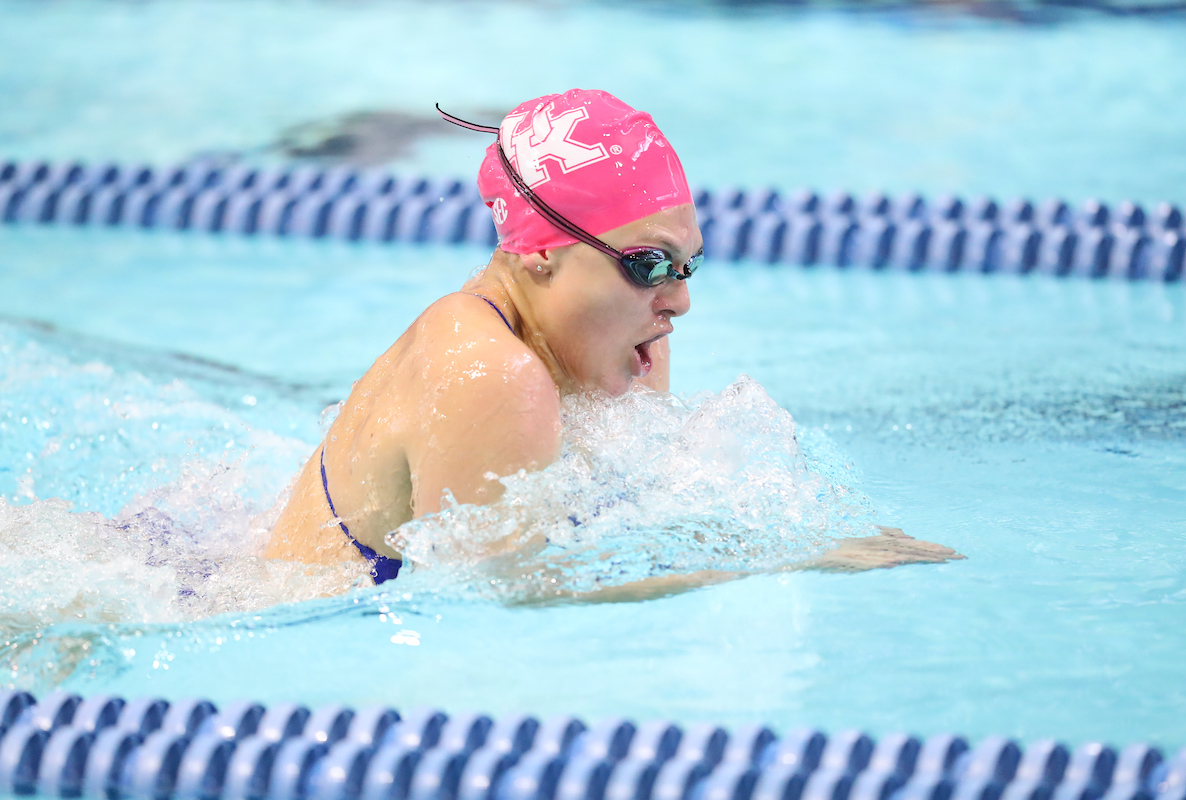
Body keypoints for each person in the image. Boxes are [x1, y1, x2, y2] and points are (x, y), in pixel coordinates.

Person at [264, 89, 961, 594]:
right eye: (648, 265)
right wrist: (786, 556)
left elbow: (629, 500)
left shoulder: (609, 342)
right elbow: (495, 593)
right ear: (540, 253)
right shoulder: (488, 369)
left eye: (687, 266)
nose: (680, 301)